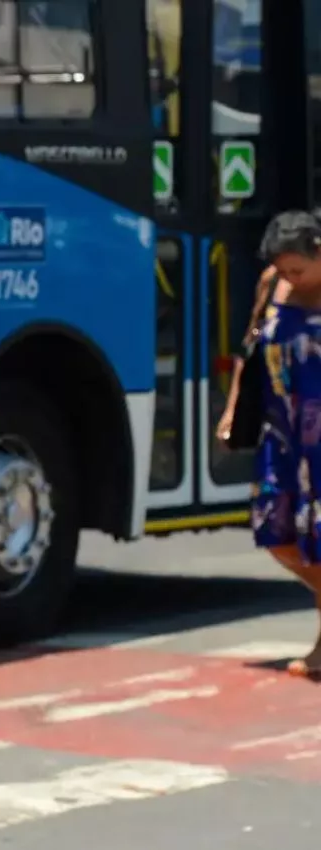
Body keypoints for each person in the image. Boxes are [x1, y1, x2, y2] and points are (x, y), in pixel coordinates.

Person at [218, 210, 321, 677]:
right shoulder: (270, 286)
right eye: (282, 269)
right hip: (283, 431)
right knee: (276, 534)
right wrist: (233, 407)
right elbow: (251, 344)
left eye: (296, 269)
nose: (288, 277)